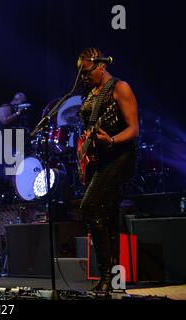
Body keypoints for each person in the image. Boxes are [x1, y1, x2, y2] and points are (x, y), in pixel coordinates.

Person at [77, 48, 139, 293]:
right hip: (98, 159)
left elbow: (133, 129)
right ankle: (114, 280)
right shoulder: (90, 92)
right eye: (80, 72)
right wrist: (83, 150)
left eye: (87, 71)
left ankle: (105, 275)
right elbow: (90, 130)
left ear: (100, 66)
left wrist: (111, 141)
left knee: (89, 207)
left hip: (120, 157)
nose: (83, 76)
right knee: (109, 216)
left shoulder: (119, 87)